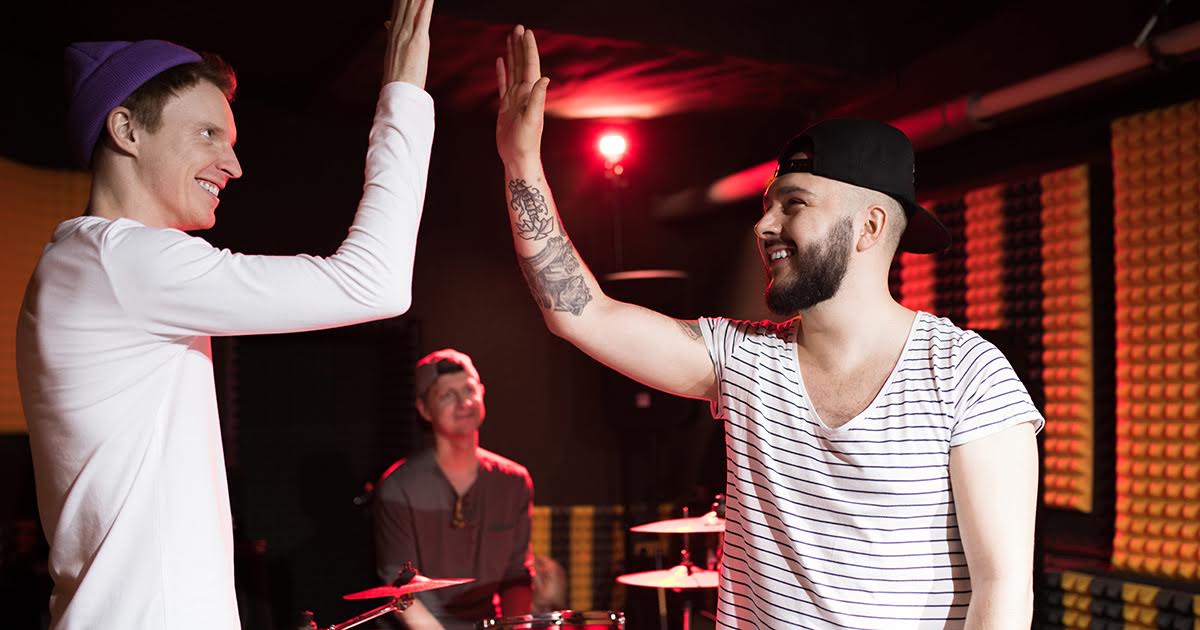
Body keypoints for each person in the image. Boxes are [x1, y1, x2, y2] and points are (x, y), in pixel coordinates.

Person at [494, 26, 1043, 629]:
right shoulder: (744, 360)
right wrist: (522, 162)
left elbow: (1002, 592)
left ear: (869, 226)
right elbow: (580, 312)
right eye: (766, 205)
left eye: (794, 204)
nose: (763, 226)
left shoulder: (967, 375)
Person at [15, 1, 436, 627]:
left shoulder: (79, 263)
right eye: (208, 134)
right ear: (126, 130)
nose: (234, 166)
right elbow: (374, 284)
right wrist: (403, 97)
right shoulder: (121, 261)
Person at [372, 349, 534, 629]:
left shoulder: (514, 481)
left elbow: (516, 576)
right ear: (423, 409)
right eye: (448, 394)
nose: (464, 402)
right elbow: (399, 587)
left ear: (482, 392)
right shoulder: (398, 487)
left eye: (469, 389)